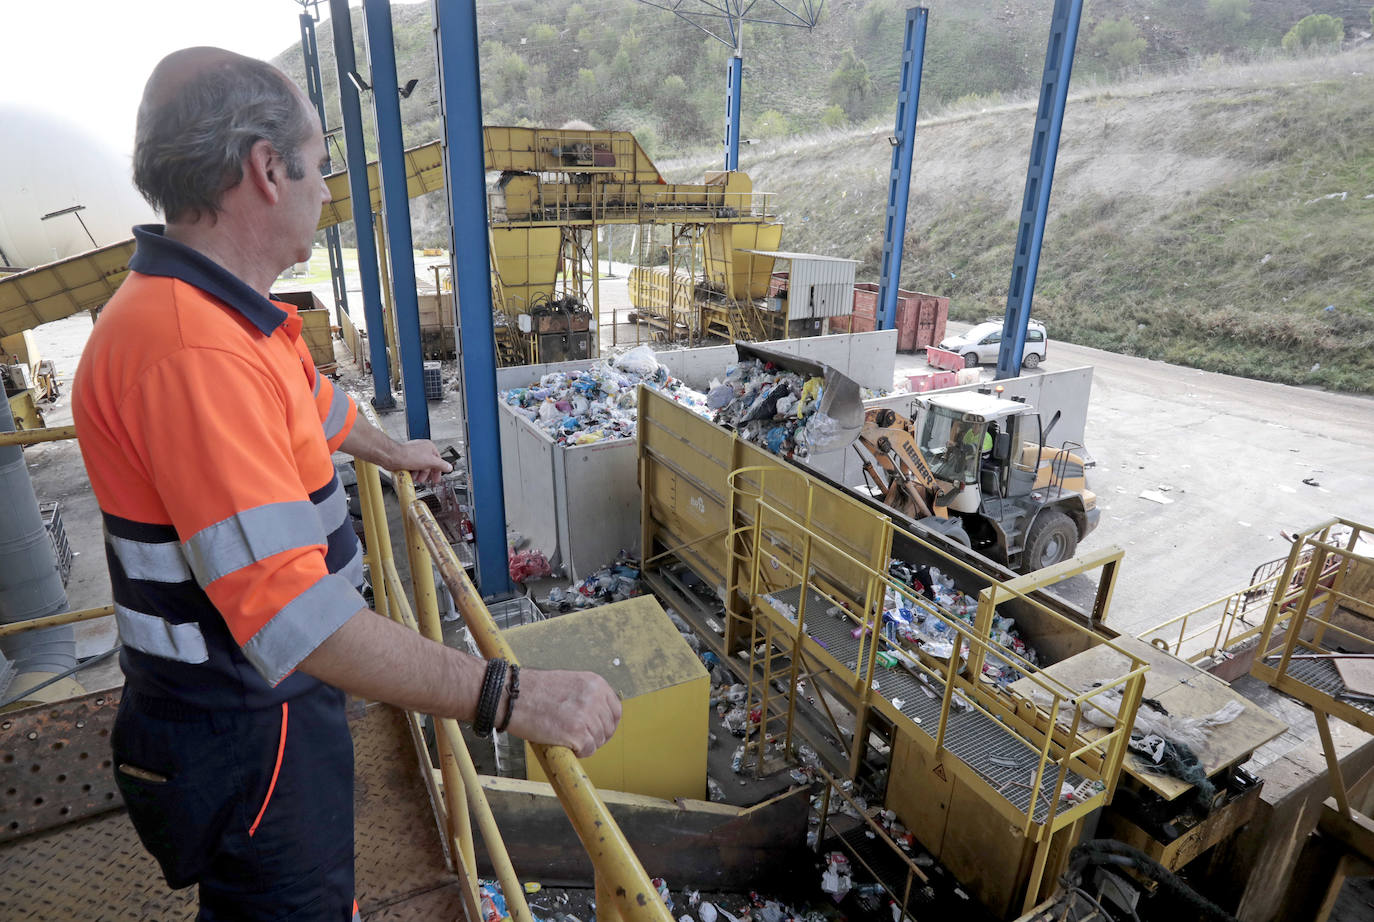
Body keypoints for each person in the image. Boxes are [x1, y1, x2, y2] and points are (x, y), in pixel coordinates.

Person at [72, 47, 620, 922]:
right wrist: (510, 695)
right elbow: (298, 622)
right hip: (245, 723)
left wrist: (392, 451)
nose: (326, 190)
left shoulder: (224, 313)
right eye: (320, 164)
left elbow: (312, 406)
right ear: (264, 169)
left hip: (262, 707)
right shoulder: (193, 353)